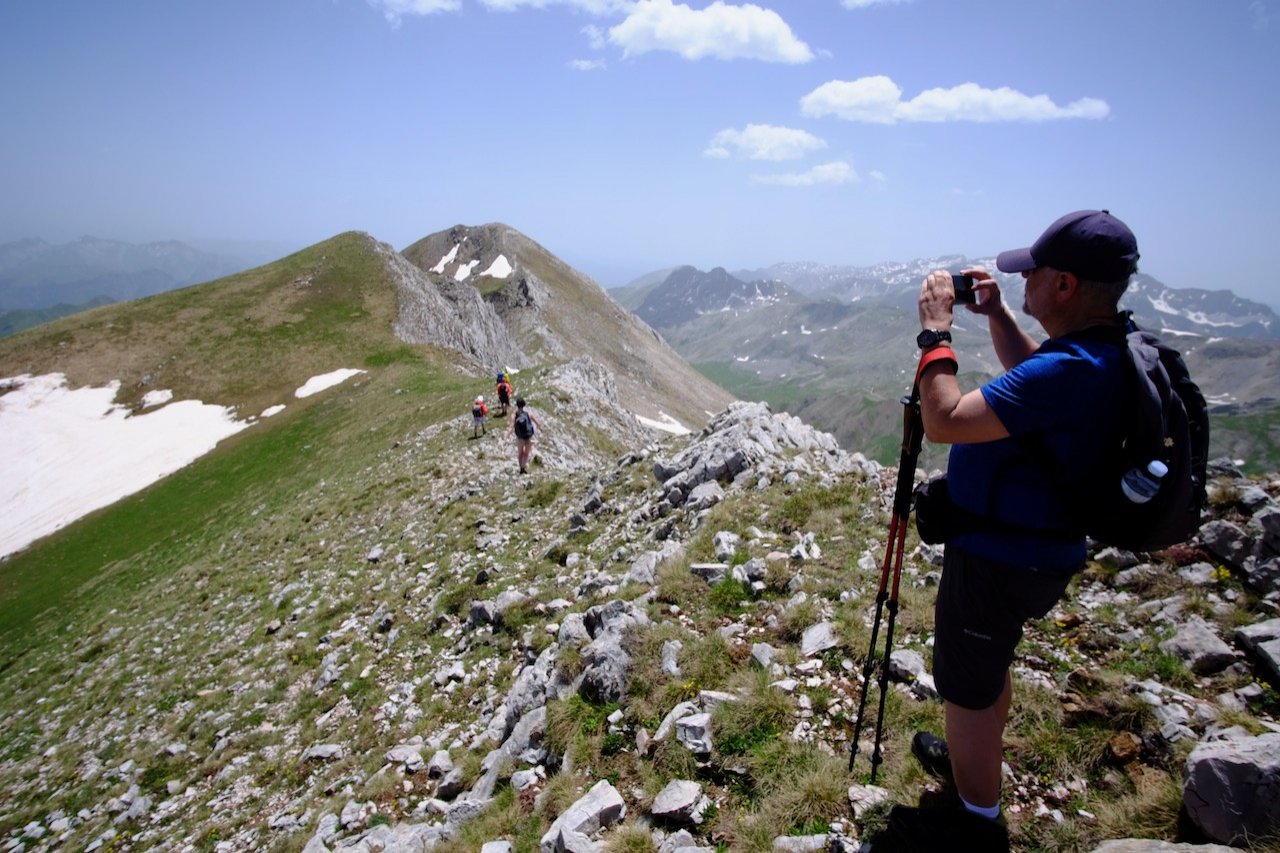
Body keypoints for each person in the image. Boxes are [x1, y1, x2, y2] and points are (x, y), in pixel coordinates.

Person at [889, 210, 1140, 851]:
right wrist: (999, 317)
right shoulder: (1096, 353)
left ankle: (975, 823)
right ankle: (976, 765)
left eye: (1031, 274)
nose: (1021, 283)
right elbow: (1035, 383)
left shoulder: (1076, 367)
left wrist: (936, 334)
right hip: (1034, 552)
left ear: (1063, 285)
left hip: (1001, 559)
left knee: (968, 688)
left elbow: (943, 419)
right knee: (987, 662)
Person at [507, 397, 541, 474]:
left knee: (520, 453)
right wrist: (541, 429)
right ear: (524, 405)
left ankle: (521, 468)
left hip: (519, 438)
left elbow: (511, 426)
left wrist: (507, 436)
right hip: (527, 437)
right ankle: (523, 467)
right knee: (526, 453)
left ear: (517, 405)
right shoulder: (528, 414)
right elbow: (537, 423)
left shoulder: (514, 415)